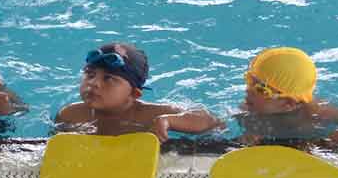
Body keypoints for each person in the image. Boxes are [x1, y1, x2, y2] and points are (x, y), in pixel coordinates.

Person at [55, 42, 221, 140]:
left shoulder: (149, 116)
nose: (94, 83)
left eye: (108, 78)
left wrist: (168, 121)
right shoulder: (70, 115)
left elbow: (210, 120)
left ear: (134, 94)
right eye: (90, 75)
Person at [238, 47, 338, 145]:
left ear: (288, 103)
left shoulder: (320, 114)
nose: (248, 90)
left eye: (261, 89)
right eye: (250, 80)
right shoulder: (249, 110)